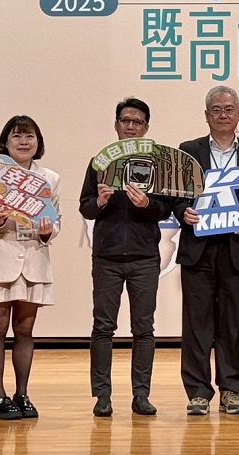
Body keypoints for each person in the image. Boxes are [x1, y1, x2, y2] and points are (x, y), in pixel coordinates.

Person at [173, 85, 239, 416]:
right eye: (216, 109)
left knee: (232, 323)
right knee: (196, 323)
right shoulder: (188, 150)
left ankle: (232, 390)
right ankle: (198, 392)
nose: (223, 115)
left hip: (235, 248)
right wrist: (183, 212)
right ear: (206, 115)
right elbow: (176, 195)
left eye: (229, 109)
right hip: (198, 248)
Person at [79, 98, 172, 417]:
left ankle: (141, 395)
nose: (131, 126)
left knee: (144, 328)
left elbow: (165, 210)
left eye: (137, 122)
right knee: (103, 326)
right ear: (116, 125)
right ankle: (102, 396)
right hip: (107, 257)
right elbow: (85, 207)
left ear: (146, 127)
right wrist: (100, 201)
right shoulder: (100, 162)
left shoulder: (158, 164)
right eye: (125, 121)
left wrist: (147, 204)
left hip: (144, 257)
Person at [0, 116, 61, 420]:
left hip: (33, 259)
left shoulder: (50, 177)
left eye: (29, 136)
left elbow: (56, 220)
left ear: (38, 142)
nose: (23, 142)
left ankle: (22, 394)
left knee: (25, 330)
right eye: (17, 136)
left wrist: (48, 232)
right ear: (5, 142)